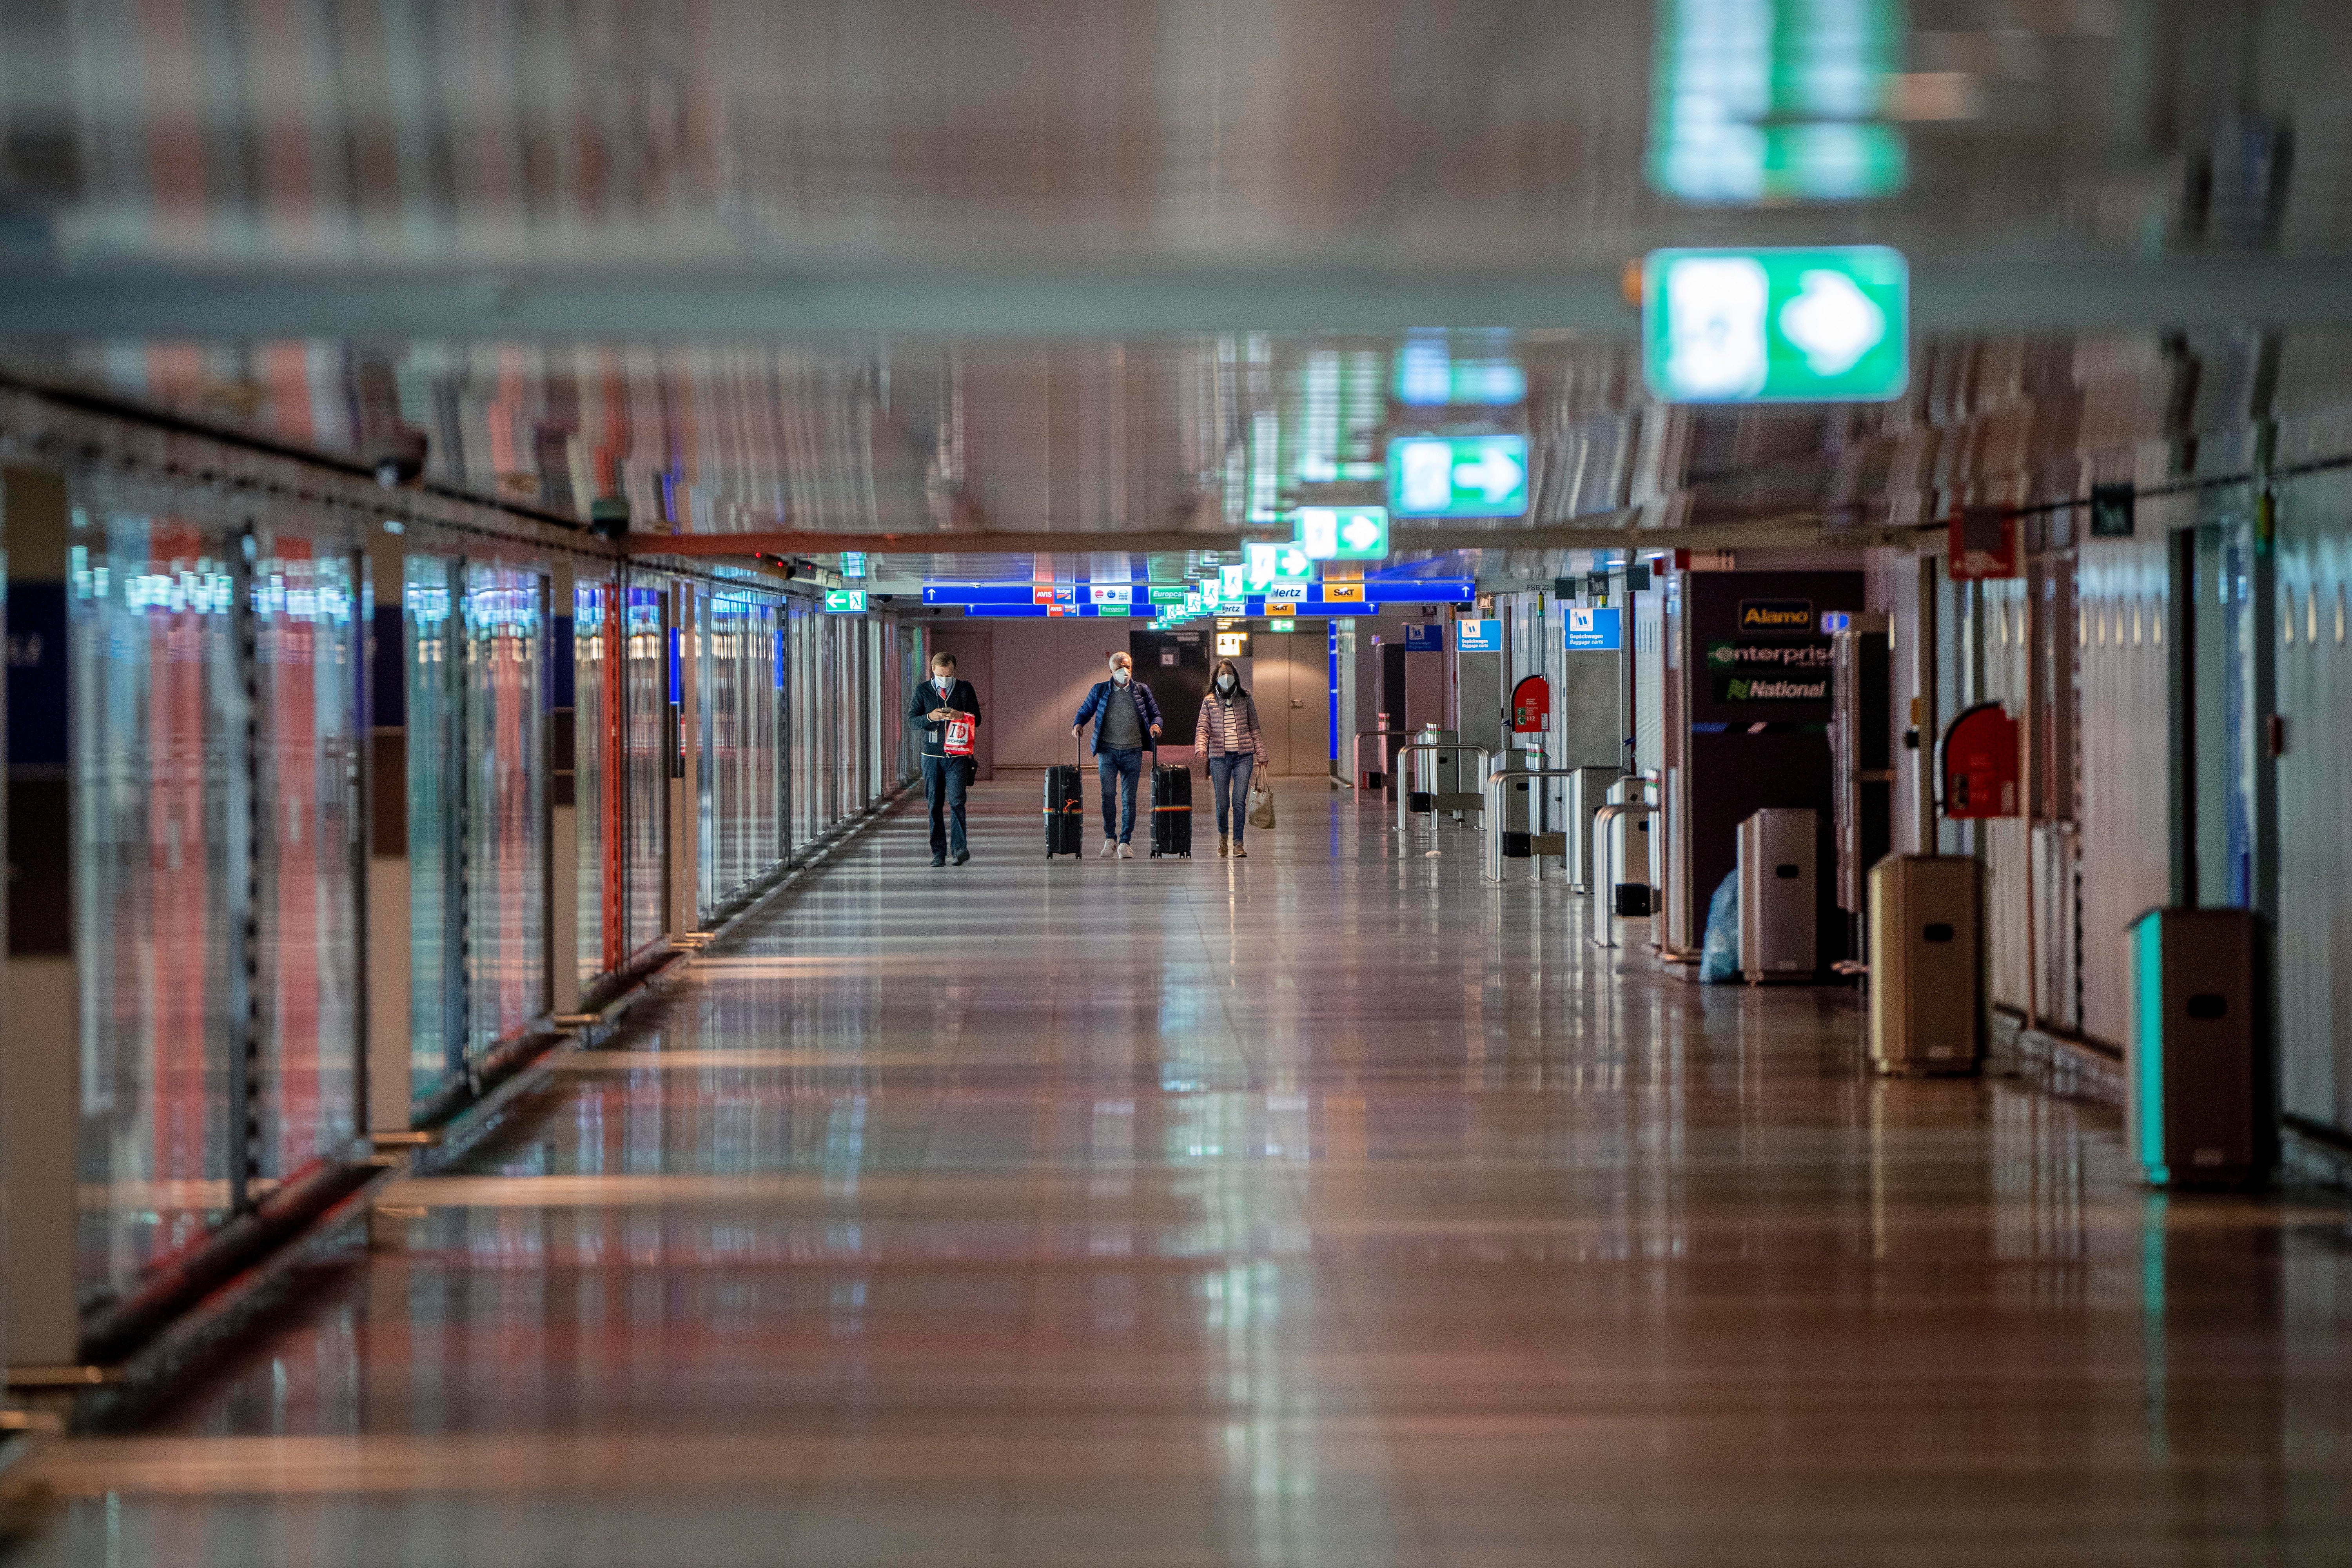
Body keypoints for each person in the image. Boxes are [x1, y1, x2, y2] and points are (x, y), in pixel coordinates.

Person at [1071, 650, 1161, 858]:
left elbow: (1155, 713)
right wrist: (1078, 724)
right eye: (1120, 667)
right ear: (1111, 670)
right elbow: (1085, 710)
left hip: (1133, 751)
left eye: (1128, 666)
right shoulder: (1100, 690)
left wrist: (1156, 725)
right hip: (1108, 752)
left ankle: (1125, 842)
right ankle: (1110, 838)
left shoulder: (1142, 690)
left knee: (1129, 798)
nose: (1124, 671)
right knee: (1108, 796)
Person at [908, 650, 982, 867]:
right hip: (931, 756)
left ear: (954, 672)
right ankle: (938, 853)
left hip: (957, 756)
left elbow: (977, 720)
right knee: (934, 804)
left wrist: (962, 716)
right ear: (933, 671)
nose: (945, 680)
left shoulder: (965, 689)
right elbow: (913, 721)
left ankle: (959, 849)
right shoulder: (923, 691)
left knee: (958, 801)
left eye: (949, 676)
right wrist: (930, 717)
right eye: (941, 675)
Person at [1194, 658, 1268, 859]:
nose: (1226, 678)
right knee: (1222, 803)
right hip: (1219, 757)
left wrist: (1261, 754)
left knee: (1239, 801)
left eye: (1229, 674)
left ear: (1235, 677)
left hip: (1244, 756)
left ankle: (1239, 844)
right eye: (1222, 675)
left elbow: (1255, 727)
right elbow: (1203, 728)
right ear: (1216, 679)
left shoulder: (1245, 698)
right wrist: (1201, 747)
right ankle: (1222, 839)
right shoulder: (1209, 701)